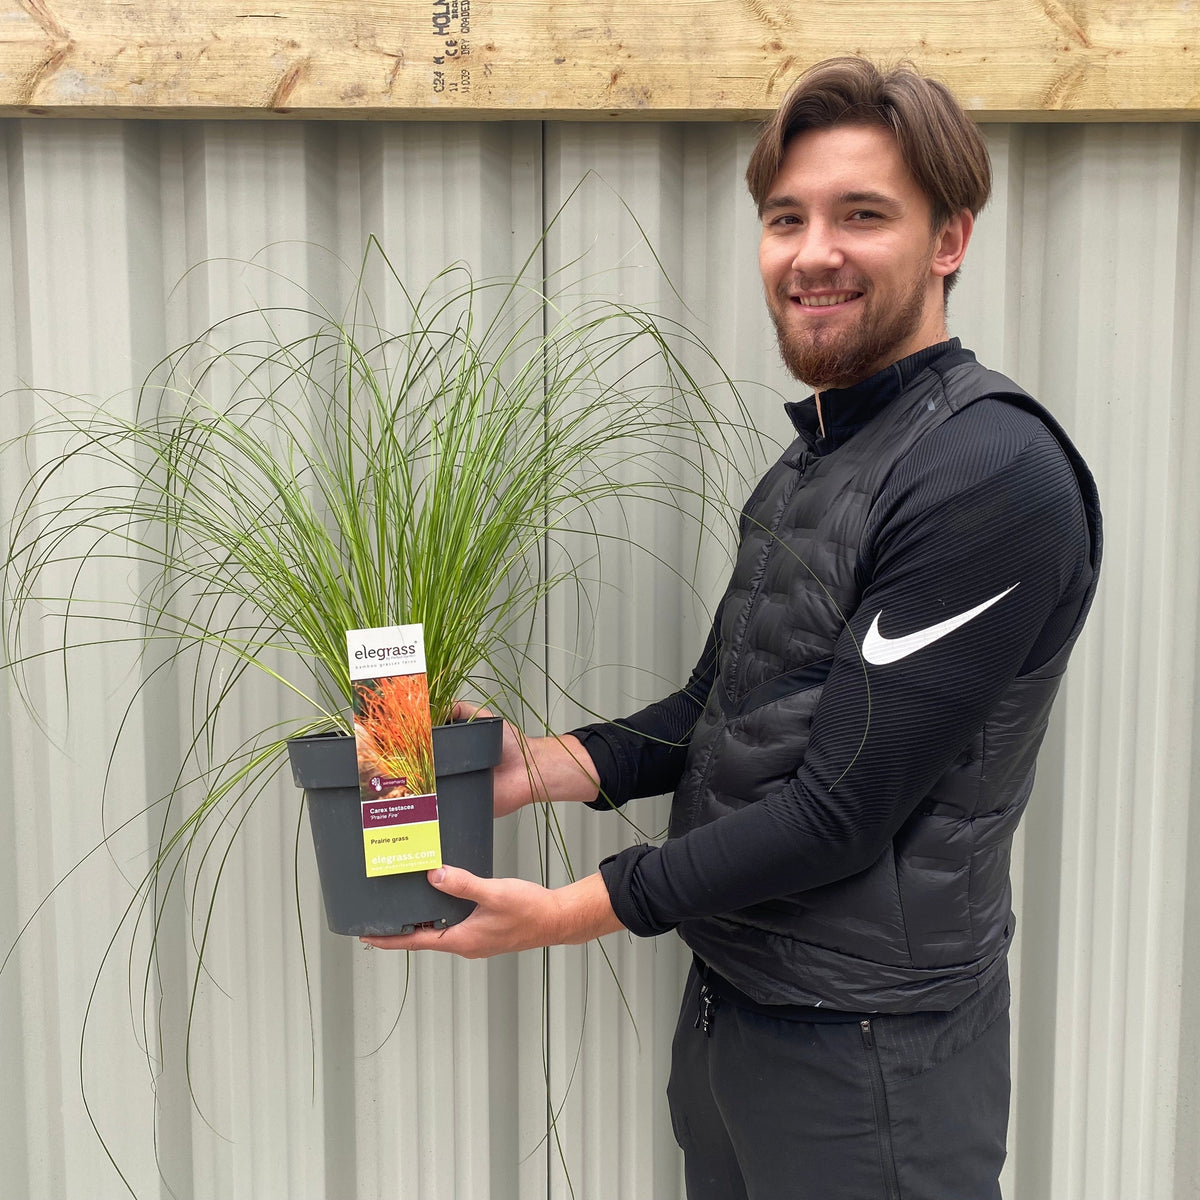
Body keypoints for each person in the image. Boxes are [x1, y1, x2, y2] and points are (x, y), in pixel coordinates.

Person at [364, 55, 1102, 1200]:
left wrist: (567, 911)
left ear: (950, 238)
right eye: (786, 217)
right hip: (736, 1009)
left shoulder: (987, 472)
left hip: (871, 1059)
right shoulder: (819, 456)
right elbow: (719, 717)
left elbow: (839, 812)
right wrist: (536, 769)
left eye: (864, 215)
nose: (814, 252)